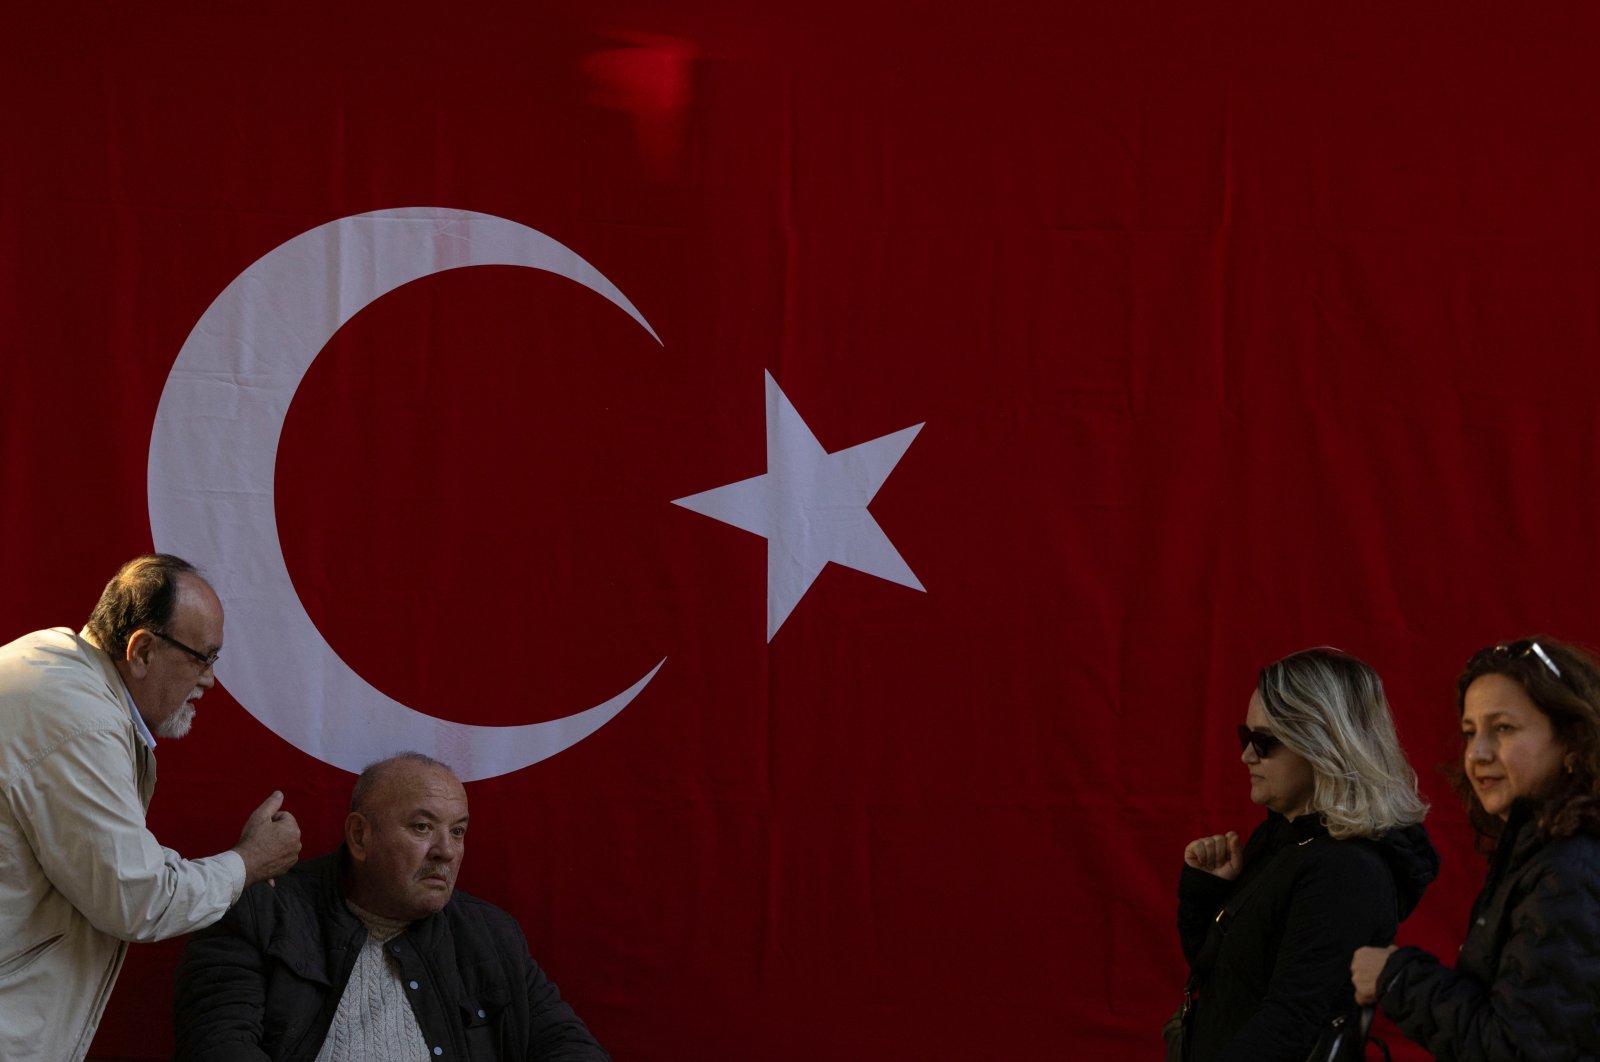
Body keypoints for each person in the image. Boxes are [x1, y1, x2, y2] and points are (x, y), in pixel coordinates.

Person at [0, 553, 303, 1062]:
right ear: (141, 651)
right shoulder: (82, 722)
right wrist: (249, 862)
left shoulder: (47, 661)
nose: (208, 681)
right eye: (202, 658)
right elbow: (136, 898)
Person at [174, 752, 610, 1061]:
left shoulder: (490, 936)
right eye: (423, 827)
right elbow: (217, 1046)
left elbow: (570, 1046)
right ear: (361, 837)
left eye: (457, 832)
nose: (446, 851)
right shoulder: (260, 912)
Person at [1175, 647, 1438, 1061]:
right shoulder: (1282, 838)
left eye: (1263, 741)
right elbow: (1225, 984)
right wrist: (1205, 893)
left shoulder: (1346, 869)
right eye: (1246, 737)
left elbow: (1289, 1023)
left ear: (1323, 746)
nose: (1246, 755)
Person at [1351, 637, 1600, 1060]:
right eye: (1470, 732)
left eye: (1503, 728)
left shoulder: (1571, 871)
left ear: (1572, 744)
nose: (1477, 753)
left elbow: (1518, 1048)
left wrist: (1396, 978)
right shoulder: (1539, 849)